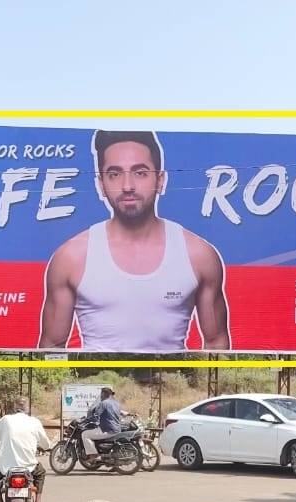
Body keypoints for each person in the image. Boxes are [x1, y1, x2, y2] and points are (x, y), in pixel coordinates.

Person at [38, 130, 231, 352]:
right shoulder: (71, 258)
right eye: (114, 174)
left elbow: (217, 344)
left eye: (140, 172)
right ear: (100, 184)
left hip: (174, 384)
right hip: (95, 383)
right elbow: (50, 351)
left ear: (160, 180)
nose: (127, 186)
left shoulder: (199, 255)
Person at [0, 396, 52, 502]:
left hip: (6, 468)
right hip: (29, 467)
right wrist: (44, 447)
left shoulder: (5, 420)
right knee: (41, 473)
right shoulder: (34, 422)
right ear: (27, 408)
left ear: (14, 407)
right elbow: (46, 444)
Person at [80, 387, 129, 460]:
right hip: (117, 429)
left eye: (101, 394)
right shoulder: (116, 404)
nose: (101, 396)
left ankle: (94, 455)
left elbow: (96, 416)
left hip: (107, 429)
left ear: (103, 394)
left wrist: (84, 421)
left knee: (85, 434)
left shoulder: (103, 403)